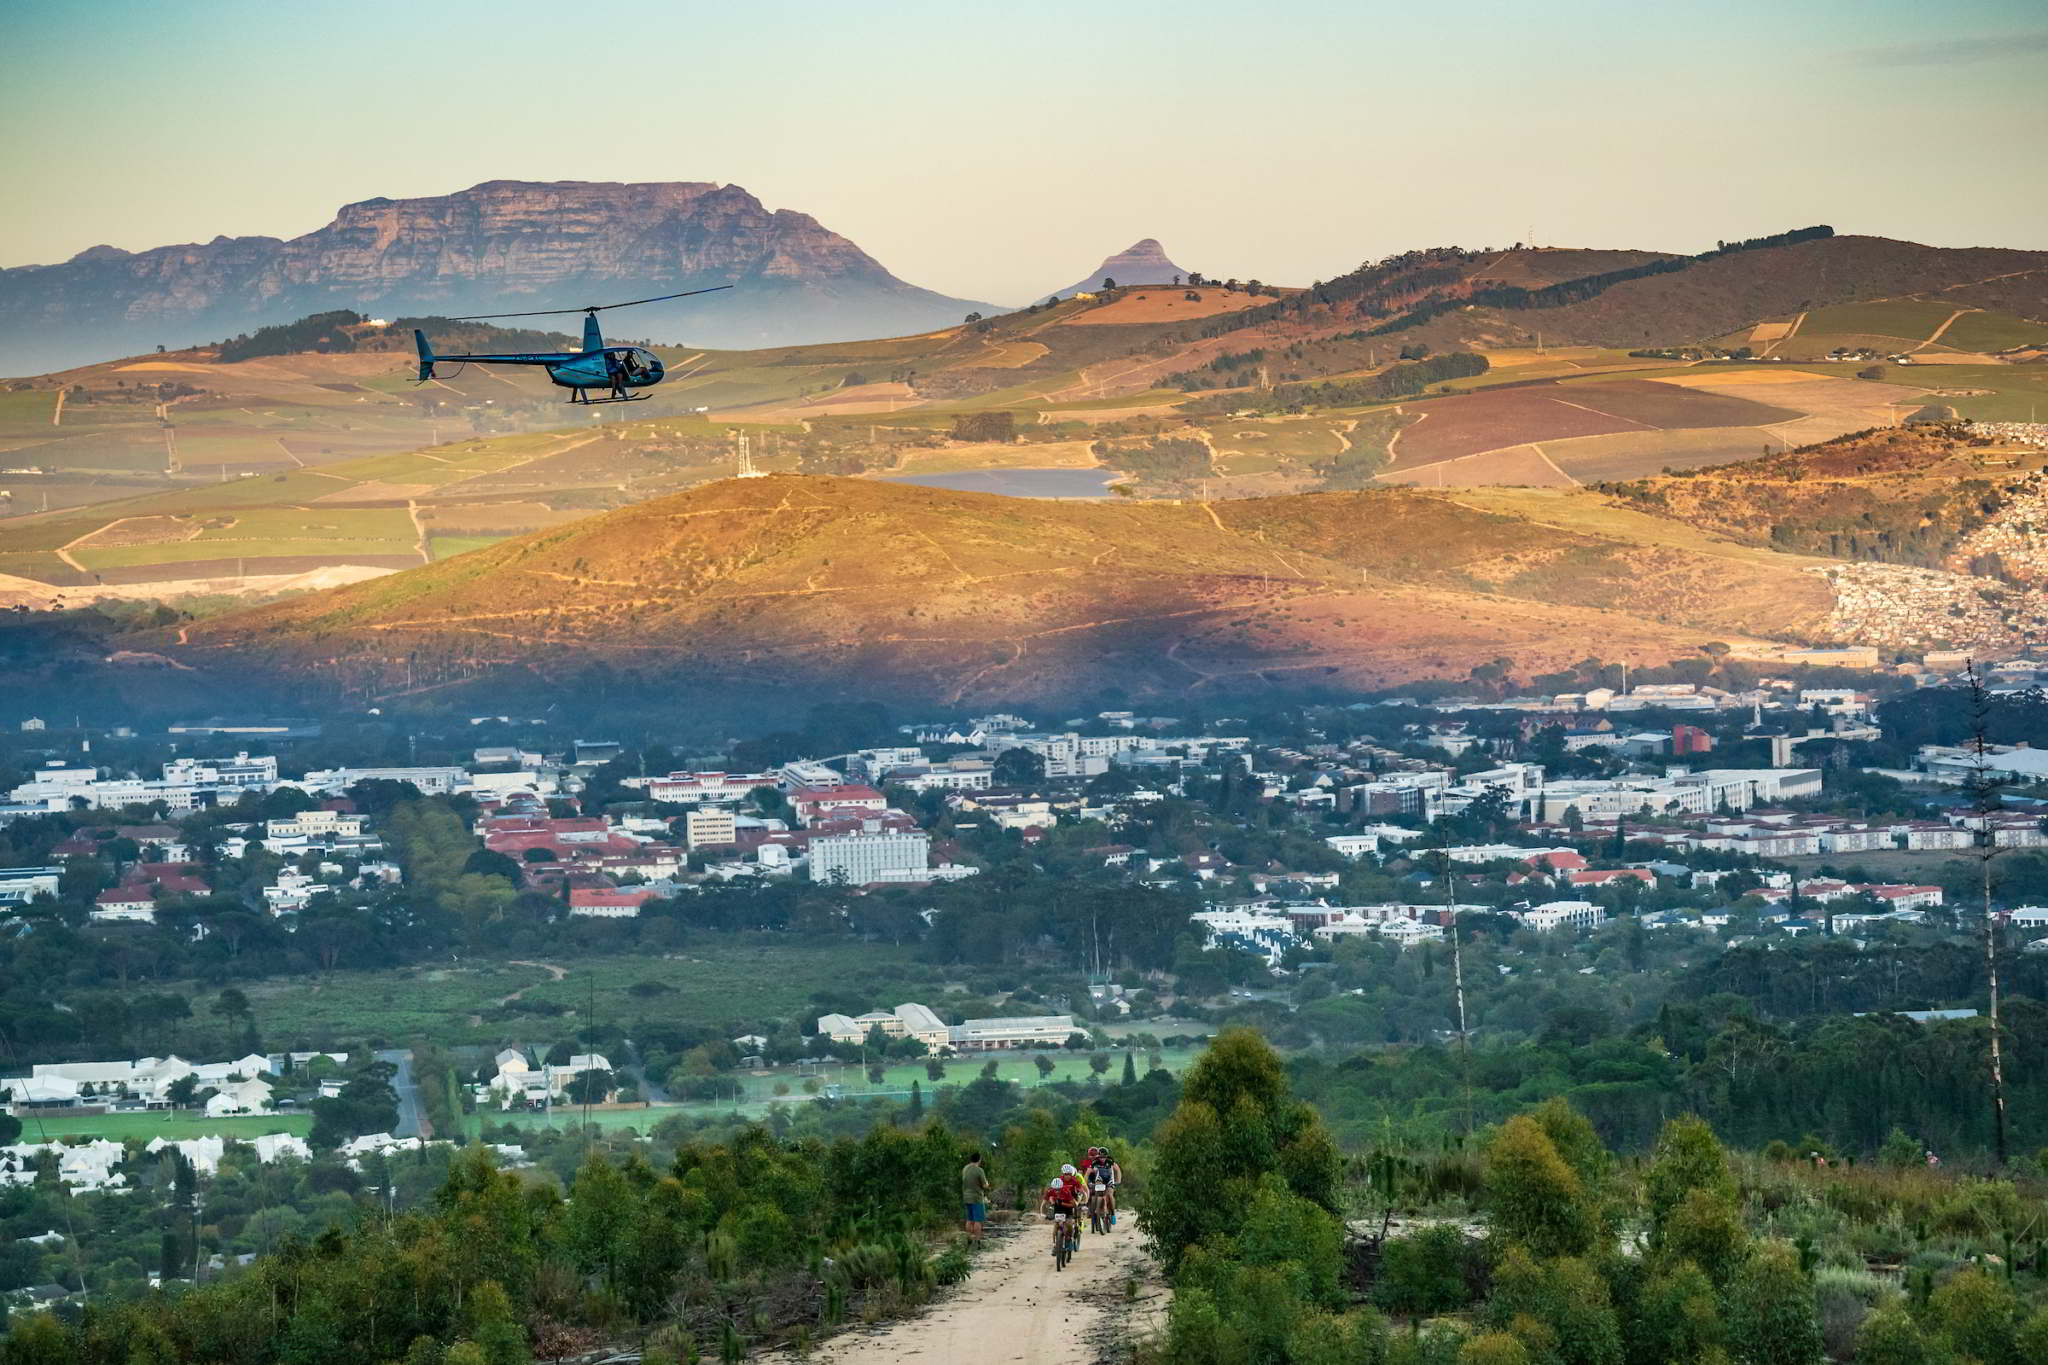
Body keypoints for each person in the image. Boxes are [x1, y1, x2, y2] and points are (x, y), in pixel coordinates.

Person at [961, 1151, 990, 1241]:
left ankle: (969, 1238)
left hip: (966, 1197)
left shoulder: (965, 1168)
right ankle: (977, 1240)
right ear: (979, 1159)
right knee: (978, 1220)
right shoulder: (979, 1170)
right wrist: (988, 1184)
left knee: (969, 1219)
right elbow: (985, 1185)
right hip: (976, 1198)